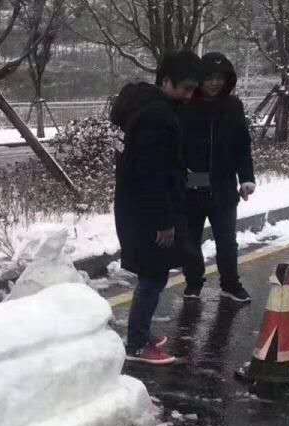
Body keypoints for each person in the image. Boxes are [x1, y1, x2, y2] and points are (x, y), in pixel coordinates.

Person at [111, 50, 204, 365]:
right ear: (166, 81)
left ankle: (141, 331)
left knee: (153, 274)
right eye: (186, 88)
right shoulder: (158, 116)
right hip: (149, 212)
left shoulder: (148, 108)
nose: (190, 96)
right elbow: (151, 173)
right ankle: (137, 343)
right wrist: (163, 221)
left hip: (136, 207)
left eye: (194, 90)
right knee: (153, 275)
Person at [178, 52, 257, 304]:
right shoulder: (185, 105)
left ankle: (230, 284)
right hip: (193, 183)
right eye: (209, 78)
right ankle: (193, 282)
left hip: (223, 183)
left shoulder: (233, 106)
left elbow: (242, 145)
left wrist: (246, 177)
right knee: (190, 240)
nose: (214, 83)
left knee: (226, 240)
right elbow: (174, 145)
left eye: (220, 78)